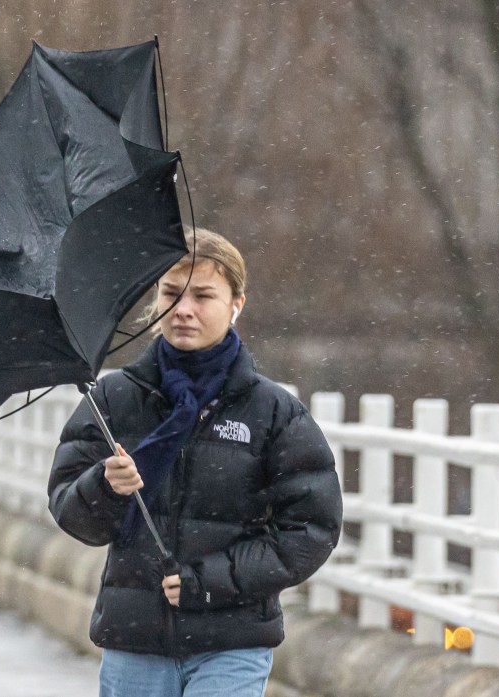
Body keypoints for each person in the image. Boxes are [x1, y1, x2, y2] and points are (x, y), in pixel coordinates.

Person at [48, 228, 343, 697]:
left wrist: (208, 583)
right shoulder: (114, 398)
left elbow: (311, 530)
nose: (183, 309)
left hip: (233, 641)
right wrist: (105, 487)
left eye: (203, 296)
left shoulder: (273, 413)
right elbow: (70, 509)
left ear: (236, 305)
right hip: (135, 640)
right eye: (171, 293)